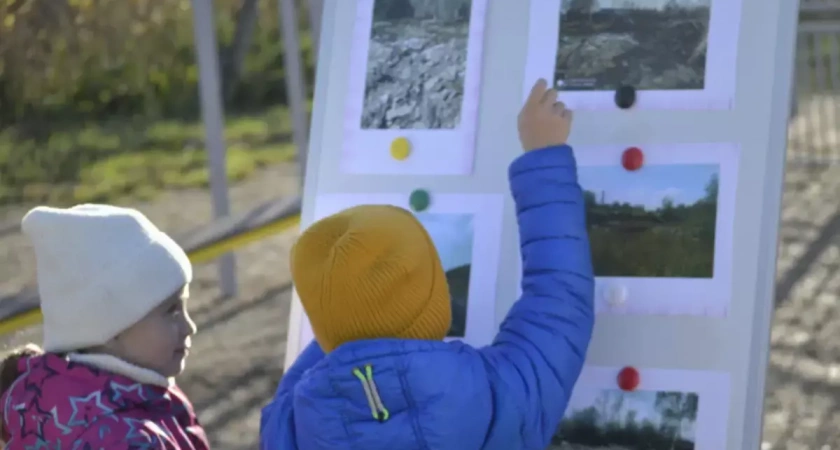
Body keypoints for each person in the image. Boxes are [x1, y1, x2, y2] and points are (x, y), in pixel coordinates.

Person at [260, 78, 595, 449]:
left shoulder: (289, 426)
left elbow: (334, 332)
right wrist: (543, 158)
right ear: (438, 303)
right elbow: (560, 302)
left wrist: (345, 315)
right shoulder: (497, 398)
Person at [0, 204, 209, 449]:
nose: (189, 326)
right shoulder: (124, 440)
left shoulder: (141, 392)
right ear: (110, 328)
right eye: (171, 311)